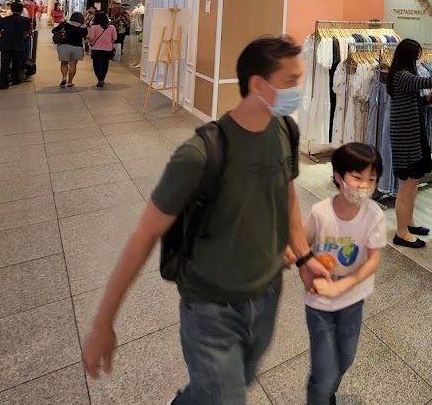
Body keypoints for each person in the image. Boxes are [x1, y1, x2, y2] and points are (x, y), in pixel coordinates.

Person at [81, 36, 330, 402]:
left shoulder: (284, 131)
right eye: (290, 81)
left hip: (267, 294)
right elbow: (144, 235)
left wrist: (305, 256)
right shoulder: (200, 154)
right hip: (210, 307)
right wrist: (103, 323)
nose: (299, 89)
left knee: (225, 386)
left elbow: (287, 194)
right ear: (258, 85)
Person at [304, 142, 385, 405]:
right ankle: (321, 394)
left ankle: (326, 392)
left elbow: (373, 260)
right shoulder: (320, 212)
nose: (364, 185)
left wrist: (343, 286)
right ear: (339, 176)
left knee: (346, 358)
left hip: (352, 301)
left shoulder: (374, 215)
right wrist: (306, 276)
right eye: (357, 177)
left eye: (371, 179)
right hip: (319, 303)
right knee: (324, 371)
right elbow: (301, 247)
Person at [385, 39, 432, 248]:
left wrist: (430, 99)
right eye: (417, 55)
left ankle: (409, 222)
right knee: (406, 186)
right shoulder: (401, 75)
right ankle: (401, 232)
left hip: (413, 134)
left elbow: (416, 99)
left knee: (413, 183)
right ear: (409, 56)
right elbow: (425, 82)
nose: (419, 59)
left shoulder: (403, 75)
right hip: (405, 137)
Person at [0, 1, 29, 89]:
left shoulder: (4, 19)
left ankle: (3, 83)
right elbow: (27, 32)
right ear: (22, 10)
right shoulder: (25, 20)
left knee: (5, 64)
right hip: (18, 43)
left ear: (11, 9)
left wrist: (5, 35)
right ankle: (15, 79)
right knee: (17, 62)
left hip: (5, 43)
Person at [52, 11, 87, 88]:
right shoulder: (83, 27)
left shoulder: (65, 24)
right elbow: (85, 36)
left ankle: (64, 77)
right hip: (77, 47)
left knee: (64, 63)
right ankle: (70, 82)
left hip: (64, 46)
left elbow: (53, 31)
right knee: (73, 65)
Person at [87, 11, 118, 88]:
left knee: (97, 65)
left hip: (96, 49)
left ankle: (100, 79)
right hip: (108, 49)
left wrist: (91, 42)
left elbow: (91, 38)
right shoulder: (112, 27)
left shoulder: (94, 27)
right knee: (105, 64)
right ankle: (102, 78)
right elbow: (114, 38)